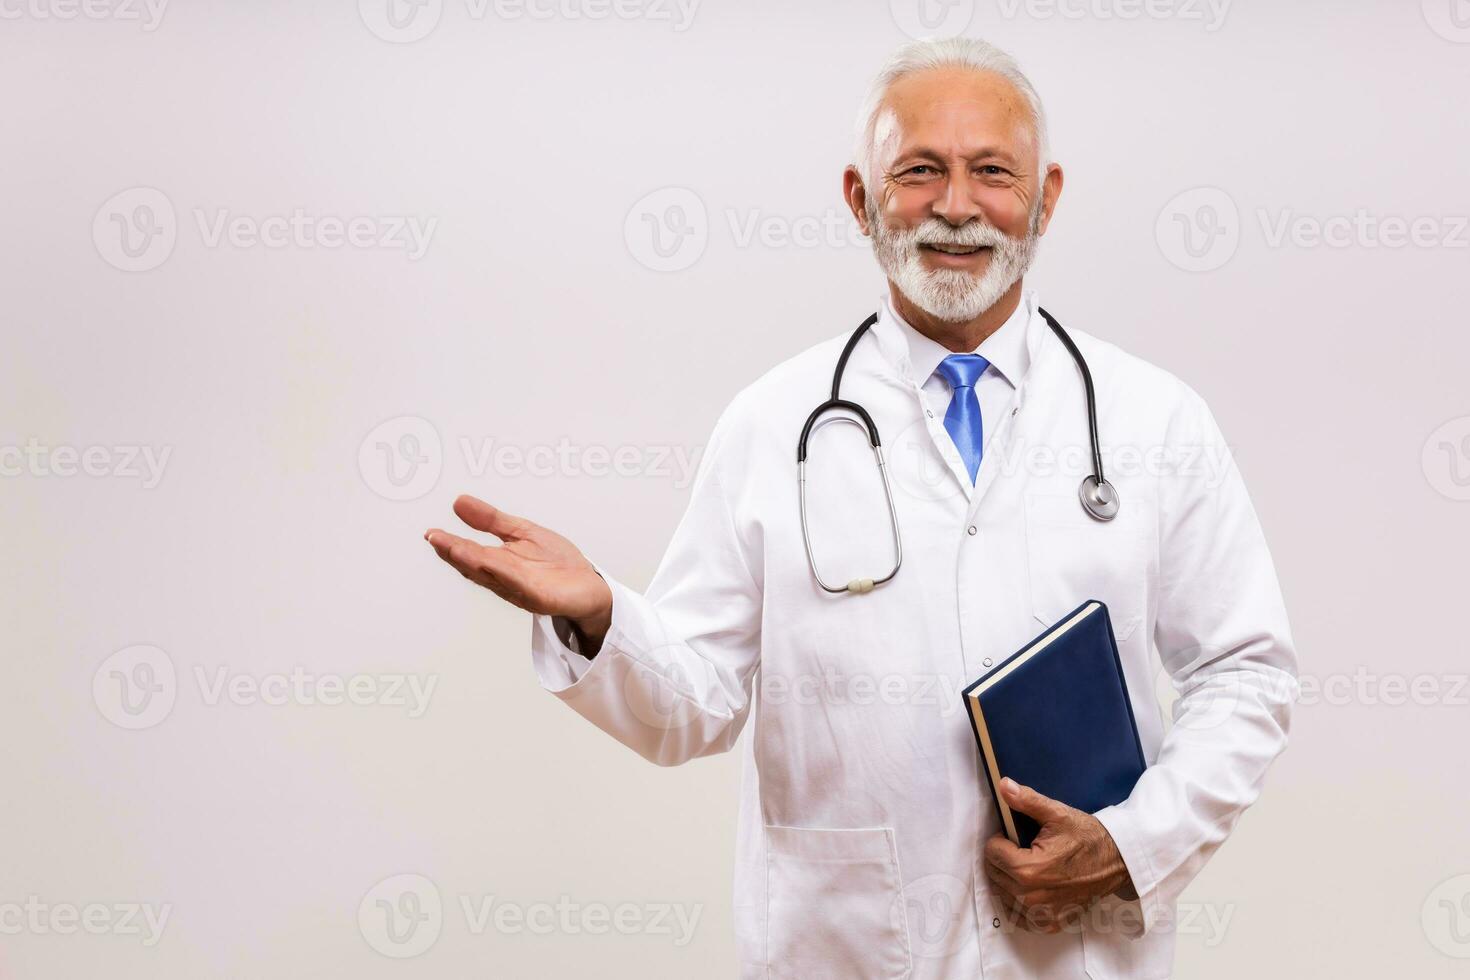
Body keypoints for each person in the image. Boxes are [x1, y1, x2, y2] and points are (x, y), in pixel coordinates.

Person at [425, 36, 1298, 979]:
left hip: (1075, 953)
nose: (956, 206)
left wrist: (1132, 846)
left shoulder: (1153, 418)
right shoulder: (772, 424)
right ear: (861, 199)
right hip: (845, 950)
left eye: (991, 172)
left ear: (1045, 197)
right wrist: (598, 615)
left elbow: (1245, 673)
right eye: (919, 171)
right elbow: (695, 705)